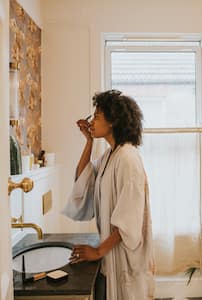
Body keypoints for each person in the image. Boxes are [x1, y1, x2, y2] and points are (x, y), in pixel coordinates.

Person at [62, 90, 155, 300]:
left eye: (97, 116)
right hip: (111, 250)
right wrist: (88, 141)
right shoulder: (110, 155)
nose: (91, 121)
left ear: (112, 121)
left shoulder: (127, 158)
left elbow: (130, 218)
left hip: (125, 255)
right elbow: (83, 178)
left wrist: (97, 251)